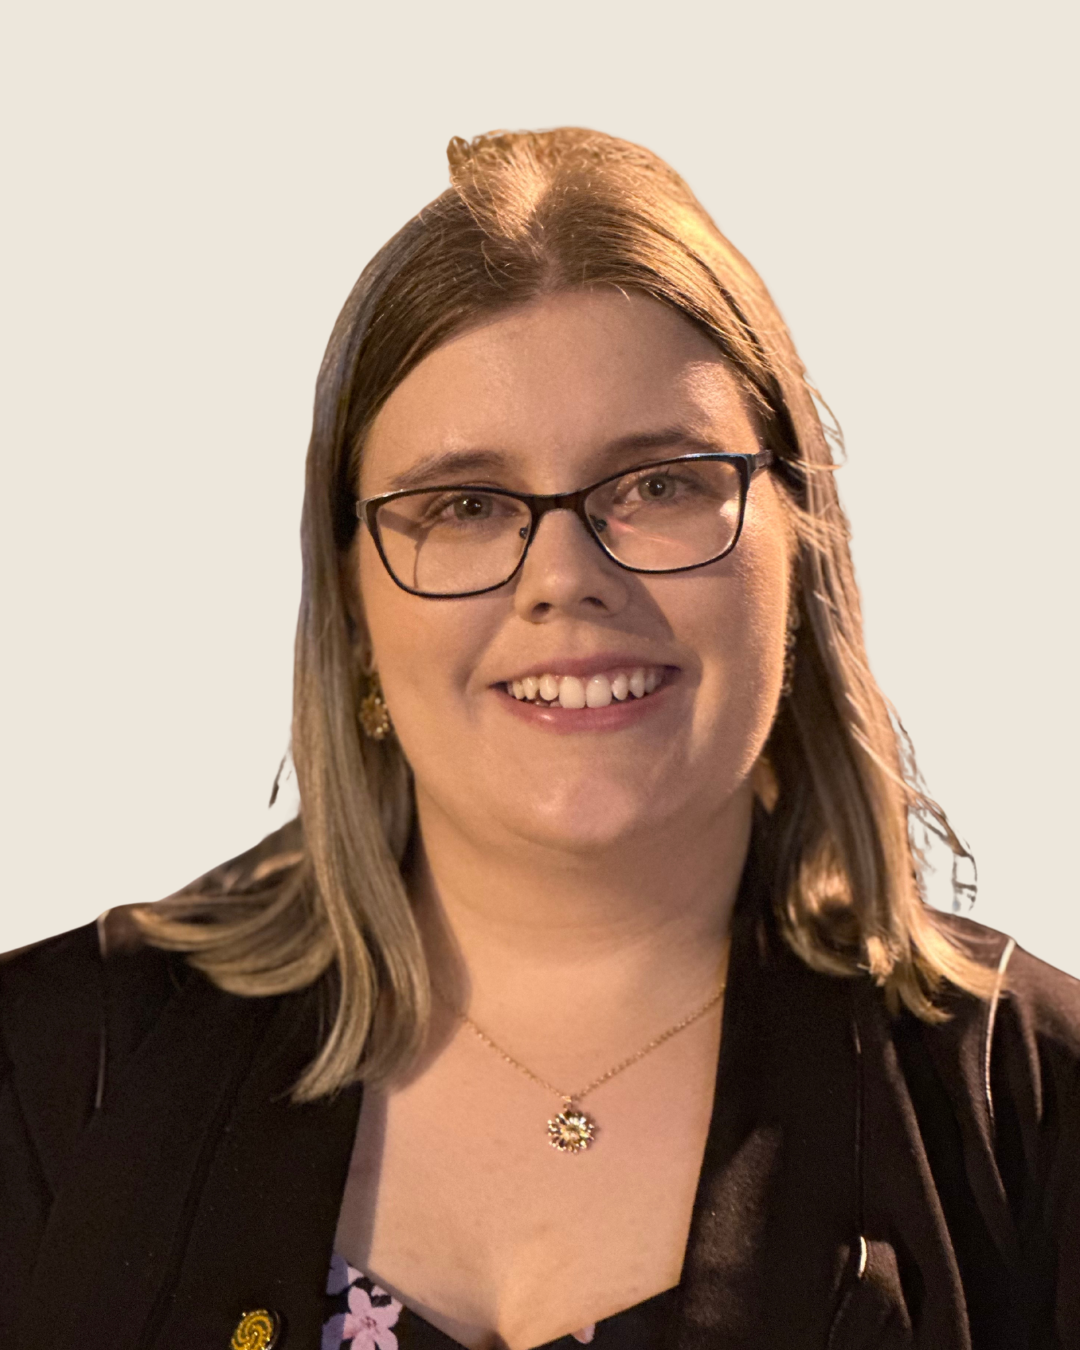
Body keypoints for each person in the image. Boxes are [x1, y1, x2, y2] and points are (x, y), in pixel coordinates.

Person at [2, 127, 1078, 1350]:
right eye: (463, 505)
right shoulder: (48, 1079)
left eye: (661, 483)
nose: (564, 577)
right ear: (351, 604)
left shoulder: (1038, 1122)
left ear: (801, 543)